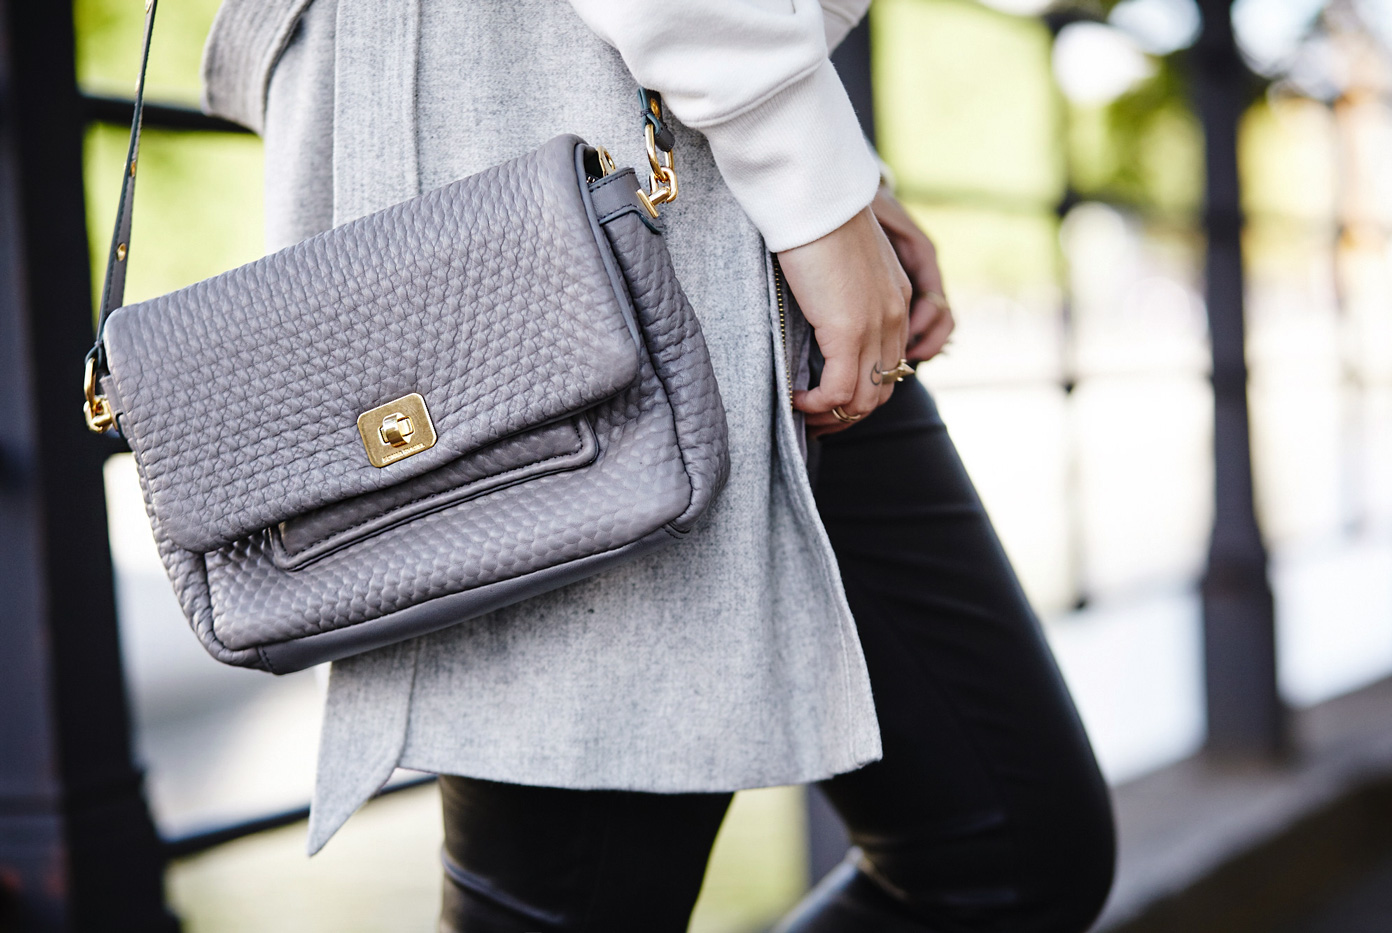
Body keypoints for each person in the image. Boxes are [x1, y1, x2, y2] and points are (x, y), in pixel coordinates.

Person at [202, 0, 1116, 928]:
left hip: (663, 125)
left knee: (1009, 850)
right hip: (546, 113)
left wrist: (832, 164)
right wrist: (809, 172)